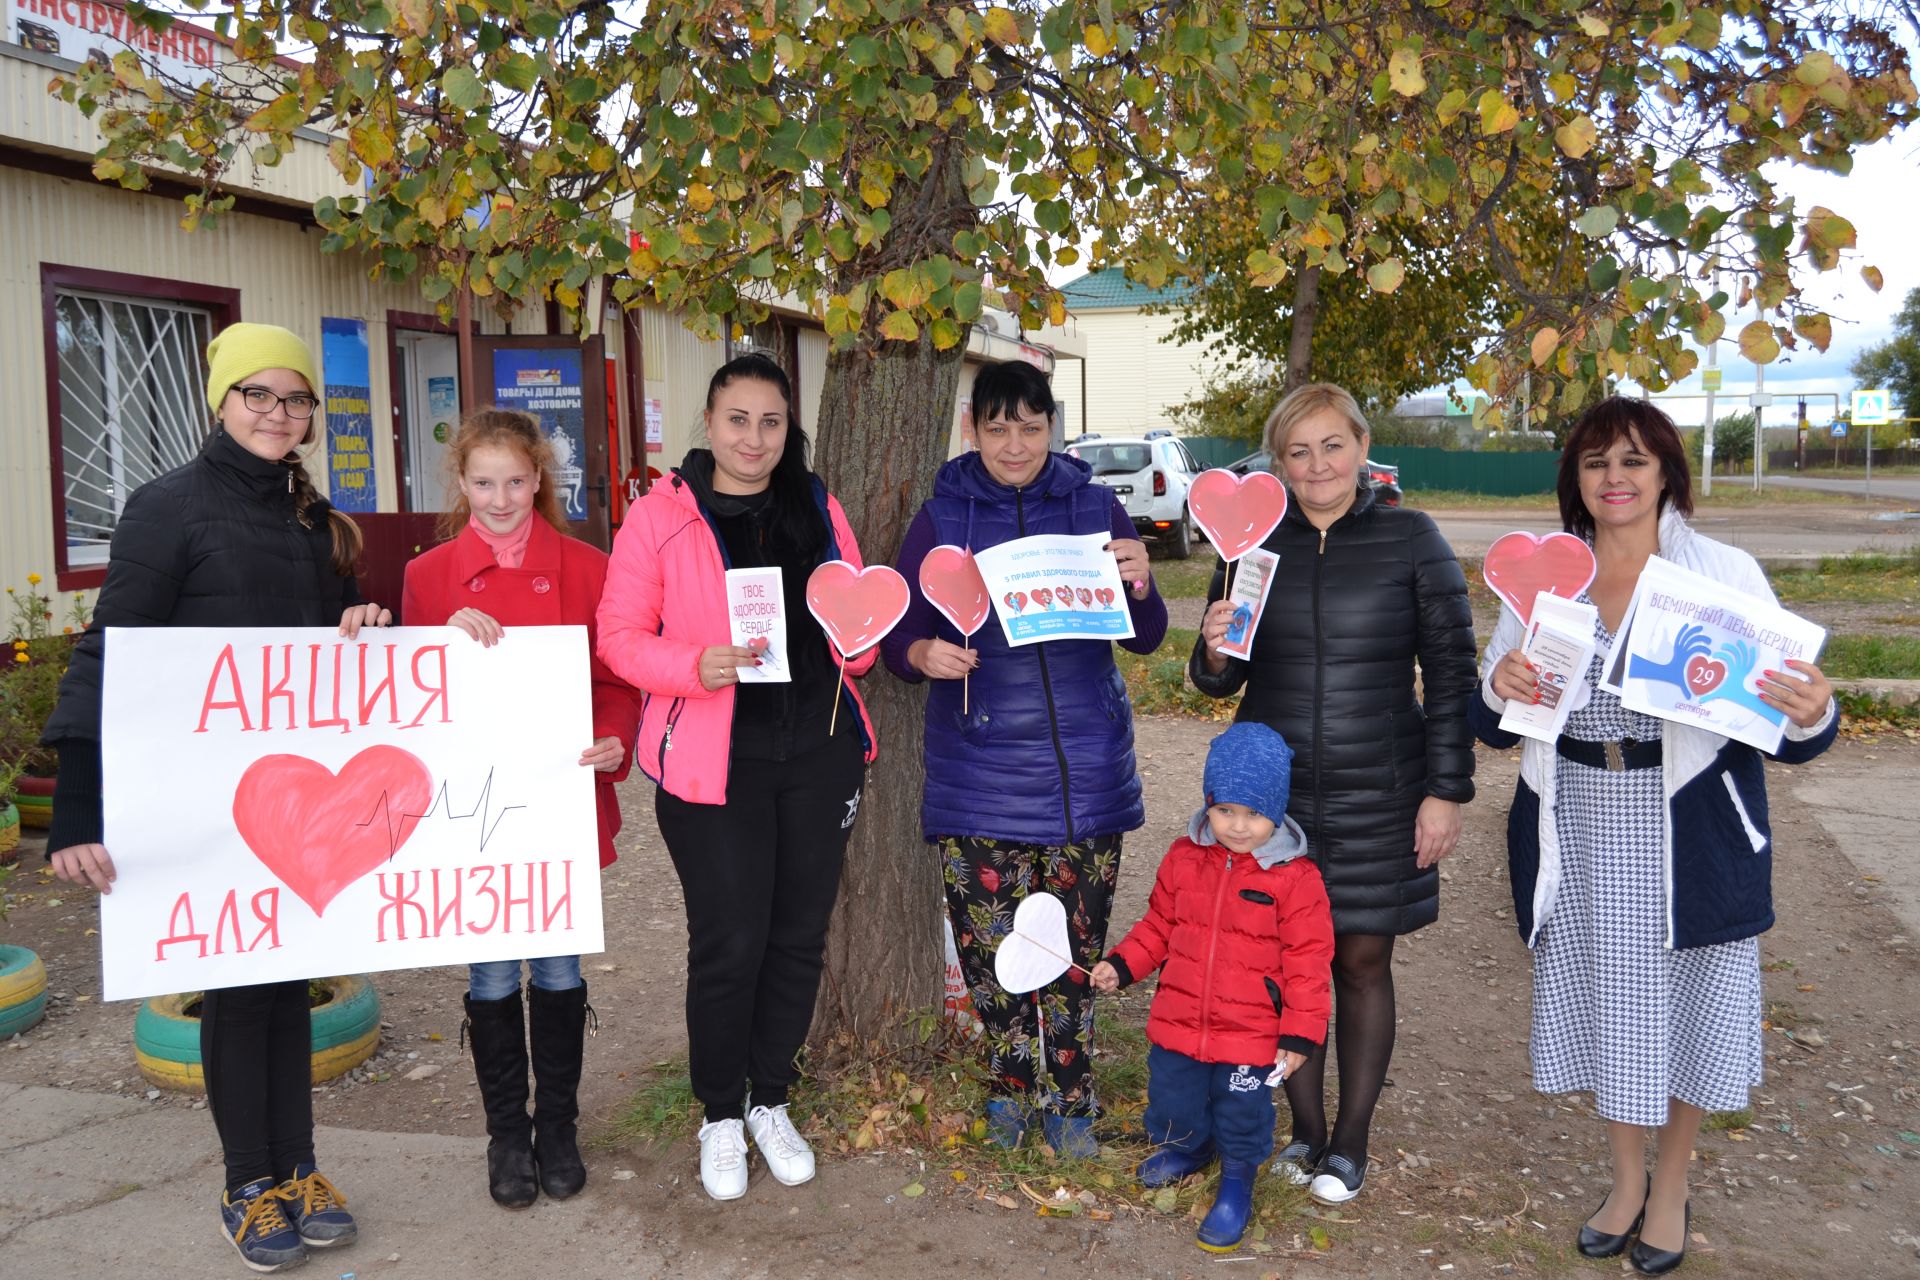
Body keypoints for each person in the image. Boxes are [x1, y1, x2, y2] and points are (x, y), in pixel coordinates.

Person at [41, 323, 380, 1273]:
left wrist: (363, 619)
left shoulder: (316, 523)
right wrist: (77, 807)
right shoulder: (167, 508)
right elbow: (111, 652)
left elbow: (328, 666)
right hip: (207, 803)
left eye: (295, 398)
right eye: (258, 395)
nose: (278, 413)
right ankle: (247, 1184)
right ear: (220, 402)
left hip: (294, 805)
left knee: (292, 986)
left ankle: (300, 1169)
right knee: (239, 992)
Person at [1471, 397, 1836, 1276]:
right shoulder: (1553, 576)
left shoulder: (1722, 573)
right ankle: (1625, 1181)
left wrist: (1814, 711)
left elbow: (1791, 719)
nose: (1616, 479)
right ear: (1577, 482)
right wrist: (1503, 681)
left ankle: (1671, 1186)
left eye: (1634, 460)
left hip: (1688, 824)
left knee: (1688, 1014)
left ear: (1668, 470)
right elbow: (1496, 717)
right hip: (1582, 821)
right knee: (1617, 1010)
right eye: (1596, 464)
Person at [595, 353, 877, 1202]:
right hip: (715, 763)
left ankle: (771, 1098)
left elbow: (855, 616)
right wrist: (693, 664)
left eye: (771, 422)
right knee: (730, 943)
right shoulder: (660, 516)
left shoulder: (817, 505)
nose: (754, 438)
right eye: (737, 420)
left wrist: (860, 643)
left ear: (788, 429)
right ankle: (720, 1112)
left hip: (818, 753)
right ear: (709, 425)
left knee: (796, 938)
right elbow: (617, 636)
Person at [1188, 381, 1476, 1205]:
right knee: (1279, 965)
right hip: (1274, 796)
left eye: (1333, 445)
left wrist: (1445, 790)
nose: (1318, 465)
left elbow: (1452, 674)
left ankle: (1350, 1144)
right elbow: (1220, 680)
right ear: (1279, 461)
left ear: (1361, 445)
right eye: (1298, 450)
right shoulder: (1248, 543)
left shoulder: (1412, 538)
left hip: (1381, 786)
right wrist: (1210, 652)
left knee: (1359, 960)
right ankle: (1305, 1132)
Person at [882, 359, 1168, 1157]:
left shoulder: (1095, 505)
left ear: (1053, 428)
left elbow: (1142, 636)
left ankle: (1070, 1097)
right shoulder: (942, 515)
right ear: (974, 428)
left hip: (1085, 772)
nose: (1015, 445)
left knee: (1075, 955)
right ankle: (1012, 1084)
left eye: (1031, 427)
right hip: (980, 772)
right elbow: (901, 632)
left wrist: (1143, 586)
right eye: (998, 427)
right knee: (990, 952)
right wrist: (922, 655)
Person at [401, 408, 639, 1210]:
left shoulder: (588, 565)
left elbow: (614, 682)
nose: (500, 499)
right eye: (483, 482)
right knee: (495, 970)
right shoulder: (428, 577)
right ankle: (507, 1131)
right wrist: (436, 642)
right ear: (460, 484)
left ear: (539, 478)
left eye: (515, 480)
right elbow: (409, 703)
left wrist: (614, 740)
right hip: (478, 811)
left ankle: (559, 1126)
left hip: (560, 799)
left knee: (561, 965)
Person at [1091, 722, 1333, 1253]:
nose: (1238, 827)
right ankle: (1187, 1149)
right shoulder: (1183, 858)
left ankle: (1238, 1178)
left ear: (1277, 812)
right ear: (1208, 804)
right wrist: (1122, 965)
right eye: (1226, 811)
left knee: (1242, 1112)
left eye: (1254, 814)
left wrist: (1299, 1036)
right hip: (1180, 1020)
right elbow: (1158, 925)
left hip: (1252, 1033)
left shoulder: (1296, 879)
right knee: (1173, 1095)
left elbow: (1309, 964)